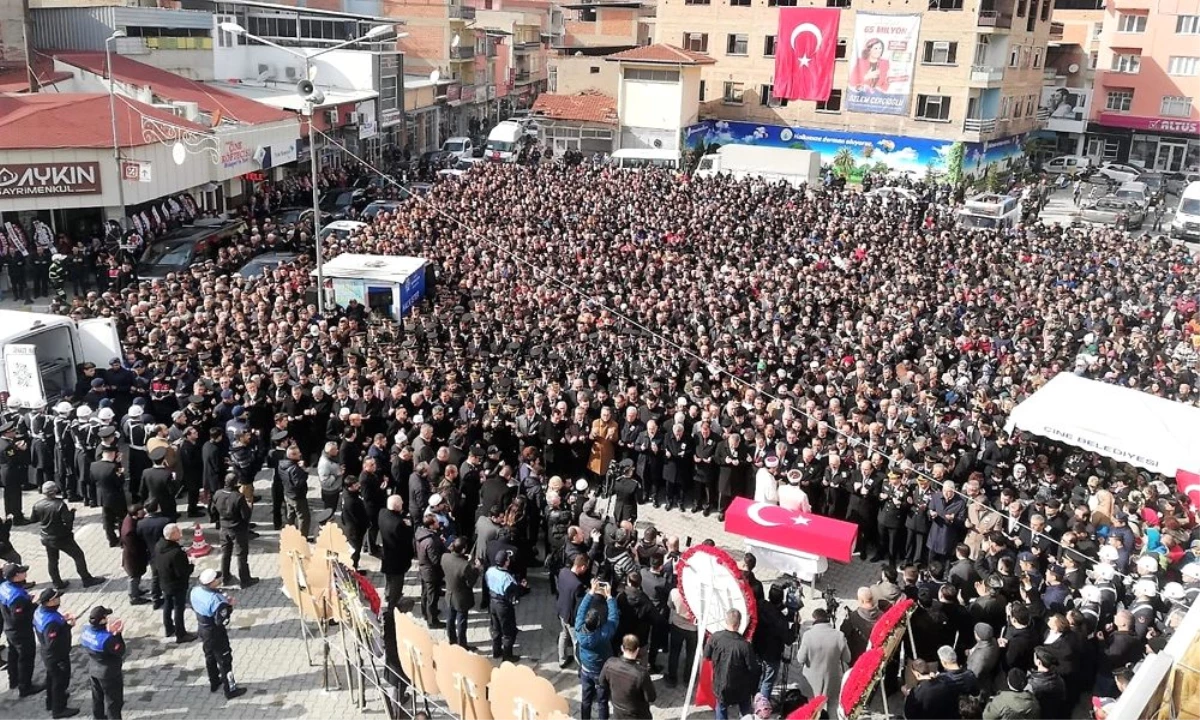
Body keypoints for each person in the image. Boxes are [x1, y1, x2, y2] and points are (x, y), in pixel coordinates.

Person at [31, 482, 104, 590]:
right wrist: (72, 513)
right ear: (54, 491)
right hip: (61, 537)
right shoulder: (60, 504)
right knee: (78, 555)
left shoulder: (37, 505)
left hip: (46, 537)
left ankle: (57, 583)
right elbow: (68, 520)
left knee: (52, 560)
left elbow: (33, 519)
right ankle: (87, 579)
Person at [191, 568, 248, 699]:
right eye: (217, 579)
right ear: (211, 583)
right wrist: (229, 606)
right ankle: (230, 690)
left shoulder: (195, 591)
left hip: (202, 628)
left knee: (209, 656)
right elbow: (222, 620)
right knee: (225, 660)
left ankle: (214, 682)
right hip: (215, 633)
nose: (219, 580)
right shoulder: (217, 600)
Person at [705, 608, 760, 720]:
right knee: (745, 711)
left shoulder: (715, 637)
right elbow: (753, 668)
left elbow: (707, 655)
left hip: (721, 684)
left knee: (721, 708)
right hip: (741, 688)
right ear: (739, 624)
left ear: (726, 621)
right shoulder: (745, 646)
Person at [576, 580, 619, 720]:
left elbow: (581, 610)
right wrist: (610, 597)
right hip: (600, 671)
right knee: (602, 701)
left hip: (585, 668)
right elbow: (614, 618)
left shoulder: (579, 629)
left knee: (586, 699)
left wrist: (590, 592)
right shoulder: (603, 635)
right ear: (598, 623)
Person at [33, 587, 79, 718]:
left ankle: (51, 701)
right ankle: (59, 709)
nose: (59, 600)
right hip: (56, 655)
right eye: (56, 598)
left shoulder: (40, 612)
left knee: (51, 678)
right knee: (60, 681)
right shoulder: (51, 622)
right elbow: (53, 643)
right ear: (48, 602)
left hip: (47, 654)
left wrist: (62, 621)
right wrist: (68, 626)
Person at [1, 563, 42, 697]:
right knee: (26, 657)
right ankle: (25, 686)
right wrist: (34, 605)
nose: (25, 573)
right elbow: (20, 617)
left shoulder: (4, 586)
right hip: (20, 631)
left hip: (9, 628)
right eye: (22, 572)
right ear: (16, 576)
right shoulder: (16, 595)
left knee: (13, 654)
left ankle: (14, 680)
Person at [796, 607, 850, 708]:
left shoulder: (808, 636)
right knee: (833, 708)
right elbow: (847, 658)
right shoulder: (839, 635)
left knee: (813, 710)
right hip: (833, 679)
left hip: (812, 682)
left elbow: (800, 659)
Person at [80, 606, 126, 720]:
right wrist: (117, 634)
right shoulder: (107, 639)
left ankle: (98, 718)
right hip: (108, 674)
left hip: (93, 670)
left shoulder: (85, 630)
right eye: (106, 617)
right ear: (102, 621)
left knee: (97, 698)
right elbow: (120, 651)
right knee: (113, 702)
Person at [153, 523, 196, 644]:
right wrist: (191, 564)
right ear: (172, 535)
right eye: (178, 531)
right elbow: (182, 572)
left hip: (164, 582)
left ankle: (168, 628)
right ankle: (181, 634)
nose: (180, 532)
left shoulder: (159, 545)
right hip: (177, 585)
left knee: (167, 605)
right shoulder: (177, 553)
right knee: (178, 608)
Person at [212, 474, 257, 588]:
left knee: (225, 554)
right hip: (237, 529)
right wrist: (249, 506)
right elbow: (245, 516)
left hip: (224, 527)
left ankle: (225, 577)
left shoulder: (218, 493)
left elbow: (212, 510)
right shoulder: (238, 497)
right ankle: (245, 580)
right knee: (241, 554)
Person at [485, 548, 528, 661]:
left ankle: (496, 651)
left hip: (492, 602)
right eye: (508, 559)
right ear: (506, 562)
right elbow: (513, 592)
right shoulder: (507, 578)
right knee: (509, 631)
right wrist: (522, 587)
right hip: (503, 605)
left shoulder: (490, 570)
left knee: (495, 628)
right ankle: (507, 656)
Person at [601, 634, 656, 720]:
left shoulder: (610, 663)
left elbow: (602, 682)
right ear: (637, 650)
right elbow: (651, 697)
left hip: (618, 711)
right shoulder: (641, 673)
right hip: (637, 715)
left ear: (622, 648)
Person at [378, 495, 414, 612]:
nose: (403, 505)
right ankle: (392, 606)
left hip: (387, 554)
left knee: (389, 578)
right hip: (398, 559)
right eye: (401, 504)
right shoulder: (399, 524)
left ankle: (388, 594)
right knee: (397, 584)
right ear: (397, 506)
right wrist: (408, 527)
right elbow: (406, 539)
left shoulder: (382, 513)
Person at [441, 536, 478, 648]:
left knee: (450, 619)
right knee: (461, 622)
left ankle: (452, 640)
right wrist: (476, 568)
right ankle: (462, 645)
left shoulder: (445, 557)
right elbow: (471, 582)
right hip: (462, 598)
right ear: (463, 549)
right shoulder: (465, 565)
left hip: (450, 594)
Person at [557, 553, 591, 669]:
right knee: (576, 641)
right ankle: (581, 666)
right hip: (571, 617)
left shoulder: (563, 572)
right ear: (582, 567)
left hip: (561, 611)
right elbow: (580, 604)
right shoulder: (577, 585)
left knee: (563, 635)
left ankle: (562, 659)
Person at [415, 513, 447, 628]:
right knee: (432, 597)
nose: (439, 523)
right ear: (432, 525)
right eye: (436, 522)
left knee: (425, 593)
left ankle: (426, 613)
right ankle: (432, 621)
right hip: (431, 572)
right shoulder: (430, 541)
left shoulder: (420, 533)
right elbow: (435, 560)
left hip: (424, 569)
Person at [92, 444, 126, 547]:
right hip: (116, 497)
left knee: (107, 520)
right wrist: (120, 466)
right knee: (121, 518)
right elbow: (120, 482)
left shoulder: (93, 465)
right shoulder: (113, 467)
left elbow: (92, 479)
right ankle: (122, 540)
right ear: (113, 454)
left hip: (102, 497)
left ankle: (111, 539)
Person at [119, 505, 150, 605]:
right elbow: (135, 547)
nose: (143, 512)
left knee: (137, 575)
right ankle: (134, 597)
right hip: (133, 558)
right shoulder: (130, 531)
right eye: (141, 511)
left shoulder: (129, 519)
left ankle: (136, 591)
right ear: (135, 514)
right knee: (134, 576)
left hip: (133, 556)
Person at [278, 446, 312, 539]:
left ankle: (290, 534)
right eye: (298, 453)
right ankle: (302, 539)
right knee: (304, 518)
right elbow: (299, 483)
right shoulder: (295, 469)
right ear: (292, 455)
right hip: (298, 496)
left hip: (287, 493)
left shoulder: (281, 464)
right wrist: (304, 470)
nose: (300, 454)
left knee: (290, 515)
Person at [340, 475, 369, 570]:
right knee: (355, 551)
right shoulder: (351, 501)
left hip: (351, 527)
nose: (358, 486)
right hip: (354, 531)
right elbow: (358, 518)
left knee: (356, 550)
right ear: (350, 487)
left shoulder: (347, 494)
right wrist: (366, 524)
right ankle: (353, 569)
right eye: (356, 485)